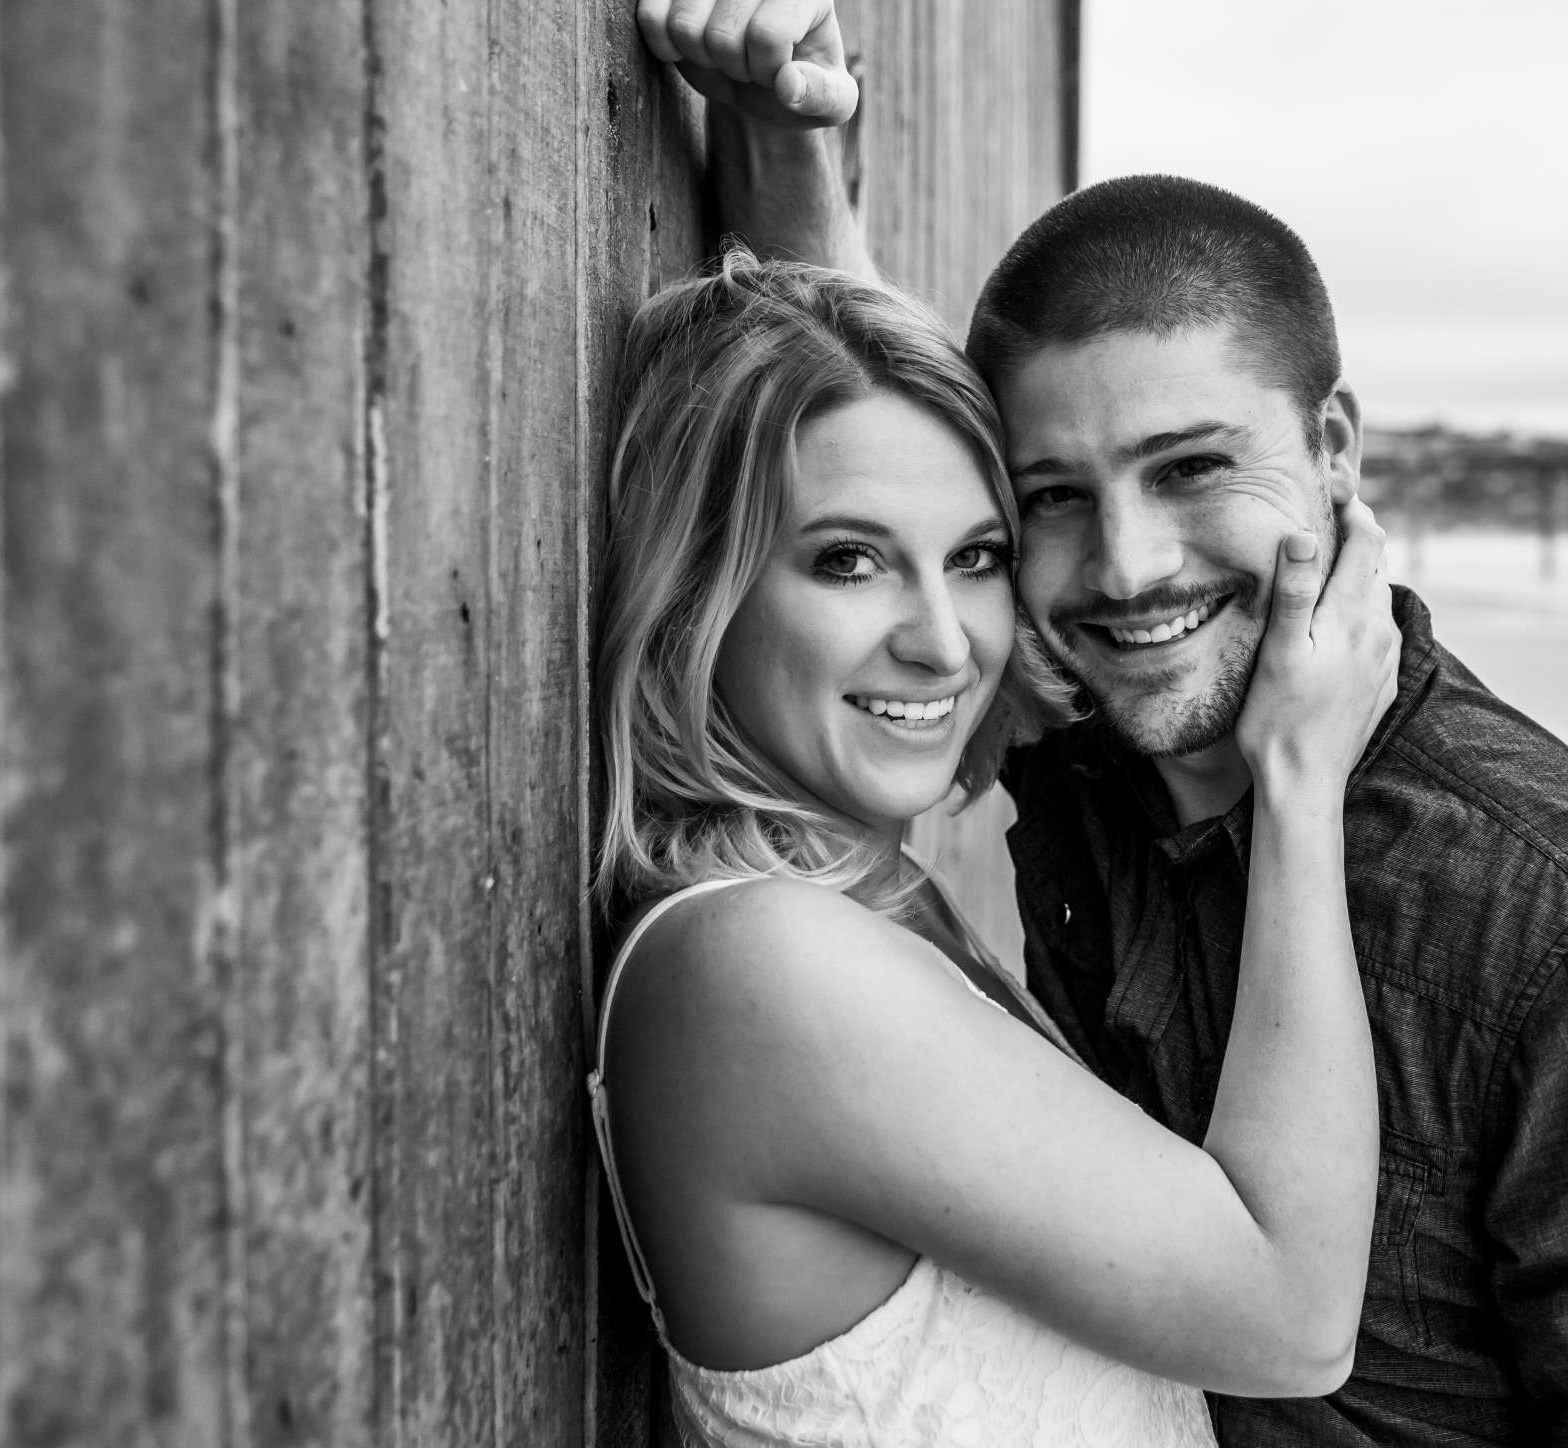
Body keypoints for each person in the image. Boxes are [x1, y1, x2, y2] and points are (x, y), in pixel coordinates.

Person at [642, 0, 1568, 1447]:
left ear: (1333, 450)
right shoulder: (1094, 742)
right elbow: (864, 539)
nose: (1127, 569)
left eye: (1195, 468)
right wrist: (789, 137)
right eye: (1055, 497)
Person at [589, 247, 1401, 1444]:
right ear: (696, 587)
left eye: (974, 558)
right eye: (848, 560)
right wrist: (1298, 774)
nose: (945, 644)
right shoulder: (758, 964)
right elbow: (1294, 1318)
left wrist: (797, 164)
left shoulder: (837, 898)